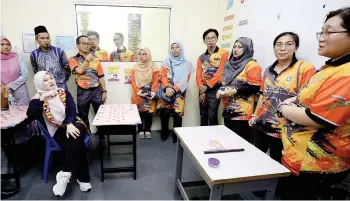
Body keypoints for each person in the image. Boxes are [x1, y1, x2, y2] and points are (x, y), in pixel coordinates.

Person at [277, 7, 350, 199]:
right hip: (297, 157)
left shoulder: (346, 74)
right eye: (321, 31)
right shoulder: (330, 67)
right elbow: (305, 96)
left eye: (330, 32)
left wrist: (283, 107)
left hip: (317, 165)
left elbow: (316, 117)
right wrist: (293, 101)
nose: (321, 38)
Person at [249, 32, 316, 163]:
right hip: (262, 125)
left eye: (288, 44)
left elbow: (308, 99)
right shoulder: (269, 69)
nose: (283, 48)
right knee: (257, 160)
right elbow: (263, 95)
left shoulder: (304, 69)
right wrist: (255, 116)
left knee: (278, 164)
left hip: (285, 130)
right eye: (279, 44)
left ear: (296, 47)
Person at [27, 71, 91, 197]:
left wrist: (70, 123)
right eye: (45, 80)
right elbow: (31, 114)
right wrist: (43, 97)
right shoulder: (37, 99)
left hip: (73, 124)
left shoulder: (62, 92)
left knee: (76, 131)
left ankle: (65, 173)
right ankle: (83, 177)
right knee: (77, 142)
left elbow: (72, 110)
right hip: (56, 130)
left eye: (51, 78)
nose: (50, 81)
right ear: (39, 84)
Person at [217, 37, 262, 144]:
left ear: (247, 49)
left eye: (240, 47)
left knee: (240, 142)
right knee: (228, 140)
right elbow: (224, 82)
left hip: (242, 112)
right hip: (227, 108)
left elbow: (255, 86)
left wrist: (235, 90)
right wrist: (221, 91)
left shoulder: (252, 65)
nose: (236, 50)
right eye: (234, 47)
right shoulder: (229, 64)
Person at [68, 35, 107, 142]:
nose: (87, 46)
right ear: (78, 45)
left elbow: (101, 76)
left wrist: (104, 91)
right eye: (84, 43)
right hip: (83, 91)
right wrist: (87, 59)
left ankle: (101, 136)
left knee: (100, 115)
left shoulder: (95, 59)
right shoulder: (73, 59)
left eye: (88, 43)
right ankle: (86, 137)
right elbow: (79, 71)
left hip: (97, 90)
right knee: (83, 116)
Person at [158, 41, 194, 143]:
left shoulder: (187, 63)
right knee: (164, 112)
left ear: (181, 49)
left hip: (179, 92)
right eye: (172, 47)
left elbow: (185, 79)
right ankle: (164, 133)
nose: (174, 49)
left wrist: (174, 89)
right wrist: (166, 88)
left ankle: (176, 135)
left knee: (177, 114)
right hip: (166, 91)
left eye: (177, 47)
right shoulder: (166, 61)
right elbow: (163, 75)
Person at [197, 29, 228, 126]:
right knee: (203, 114)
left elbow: (221, 72)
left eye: (213, 37)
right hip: (203, 88)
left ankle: (214, 137)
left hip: (215, 89)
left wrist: (208, 86)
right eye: (208, 38)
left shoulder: (224, 53)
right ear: (204, 41)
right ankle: (202, 137)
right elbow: (198, 75)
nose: (210, 40)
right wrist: (202, 89)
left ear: (217, 39)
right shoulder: (201, 57)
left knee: (212, 115)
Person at [30, 26, 70, 90]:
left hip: (60, 86)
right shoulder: (34, 54)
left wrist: (62, 79)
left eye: (48, 38)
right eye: (42, 38)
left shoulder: (59, 51)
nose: (46, 40)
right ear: (37, 40)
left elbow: (67, 67)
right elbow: (36, 72)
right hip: (45, 88)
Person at [131, 46, 158, 139]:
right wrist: (138, 92)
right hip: (138, 92)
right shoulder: (135, 66)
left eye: (144, 54)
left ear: (148, 55)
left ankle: (147, 129)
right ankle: (140, 130)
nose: (142, 56)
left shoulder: (153, 66)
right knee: (139, 112)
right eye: (140, 54)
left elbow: (156, 81)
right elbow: (133, 80)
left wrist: (153, 92)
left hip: (150, 92)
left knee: (148, 112)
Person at [1, 36, 30, 106]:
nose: (5, 47)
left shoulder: (18, 58)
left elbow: (24, 75)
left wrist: (10, 85)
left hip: (19, 89)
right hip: (1, 90)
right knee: (4, 113)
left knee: (23, 113)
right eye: (2, 44)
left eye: (8, 44)